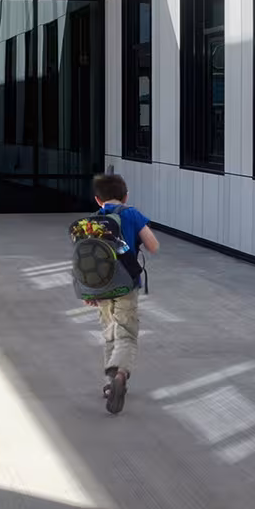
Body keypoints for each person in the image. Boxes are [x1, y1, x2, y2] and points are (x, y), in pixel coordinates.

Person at [88, 172, 158, 415]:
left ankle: (110, 383)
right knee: (126, 333)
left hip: (102, 286)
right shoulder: (132, 214)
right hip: (127, 284)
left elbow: (86, 259)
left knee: (110, 332)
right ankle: (120, 374)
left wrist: (90, 291)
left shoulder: (93, 220)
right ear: (126, 196)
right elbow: (153, 246)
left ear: (98, 200)